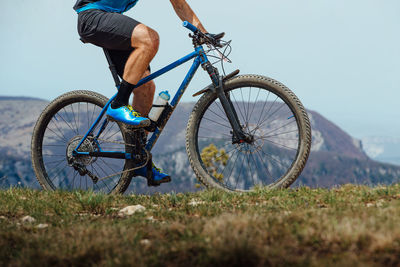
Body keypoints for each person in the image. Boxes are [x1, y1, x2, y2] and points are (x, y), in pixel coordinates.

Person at [73, 0, 209, 186]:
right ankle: (119, 104)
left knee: (146, 88)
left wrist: (205, 35)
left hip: (109, 18)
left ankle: (138, 160)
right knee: (149, 38)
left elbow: (180, 5)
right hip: (92, 17)